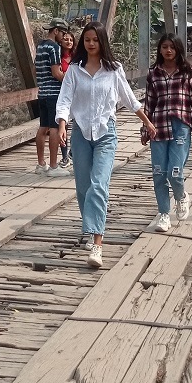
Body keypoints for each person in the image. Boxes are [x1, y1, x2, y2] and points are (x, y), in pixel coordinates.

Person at [56, 21, 157, 269]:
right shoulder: (75, 70)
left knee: (99, 185)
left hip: (106, 133)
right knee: (83, 187)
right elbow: (65, 100)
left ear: (102, 42)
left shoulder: (113, 69)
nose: (91, 44)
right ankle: (91, 231)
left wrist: (148, 122)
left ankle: (98, 244)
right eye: (87, 39)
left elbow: (129, 98)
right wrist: (61, 125)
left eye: (96, 40)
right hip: (80, 133)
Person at [144, 34, 192, 233]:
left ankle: (181, 197)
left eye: (172, 47)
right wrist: (145, 128)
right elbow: (149, 102)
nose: (168, 50)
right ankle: (164, 214)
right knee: (159, 173)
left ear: (178, 49)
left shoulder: (187, 73)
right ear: (160, 50)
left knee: (175, 170)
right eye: (164, 47)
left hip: (181, 126)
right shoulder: (153, 73)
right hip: (158, 125)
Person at [33, 19, 70, 177]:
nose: (63, 36)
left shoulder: (41, 46)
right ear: (56, 31)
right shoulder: (54, 47)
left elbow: (36, 70)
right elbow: (56, 73)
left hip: (42, 92)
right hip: (54, 92)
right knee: (54, 128)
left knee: (43, 128)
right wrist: (70, 81)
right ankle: (54, 166)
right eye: (62, 33)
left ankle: (41, 164)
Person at [53, 28, 77, 171]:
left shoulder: (76, 57)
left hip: (77, 94)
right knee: (63, 125)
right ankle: (64, 156)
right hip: (63, 94)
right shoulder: (58, 57)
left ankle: (73, 151)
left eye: (71, 40)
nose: (68, 41)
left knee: (77, 123)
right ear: (61, 41)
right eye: (66, 39)